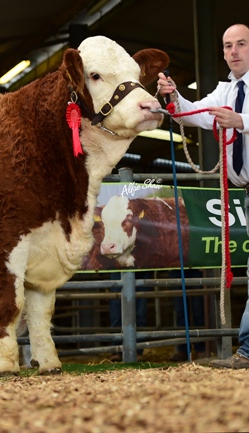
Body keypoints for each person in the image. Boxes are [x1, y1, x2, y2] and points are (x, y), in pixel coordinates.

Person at [158, 23, 249, 369]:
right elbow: (188, 112)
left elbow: (237, 120)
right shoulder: (224, 90)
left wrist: (240, 119)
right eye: (228, 46)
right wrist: (171, 95)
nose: (234, 52)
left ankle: (247, 351)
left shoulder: (234, 100)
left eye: (241, 44)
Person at [109, 270, 152, 361]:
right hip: (120, 265)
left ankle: (136, 350)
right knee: (118, 311)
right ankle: (118, 349)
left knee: (139, 312)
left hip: (142, 266)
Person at [168, 269, 207, 361]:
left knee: (198, 308)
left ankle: (200, 348)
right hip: (175, 264)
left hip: (195, 264)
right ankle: (183, 348)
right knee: (180, 309)